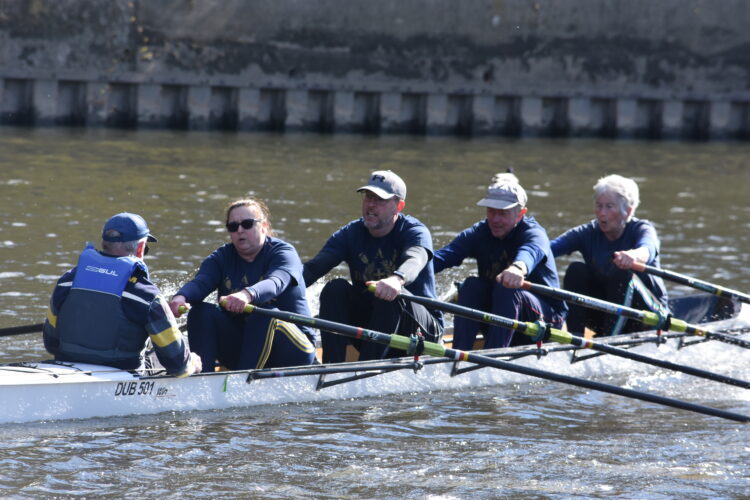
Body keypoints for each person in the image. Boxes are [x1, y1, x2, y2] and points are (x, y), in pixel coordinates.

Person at [303, 170, 443, 363]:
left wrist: (397, 279)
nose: (370, 205)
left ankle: (366, 368)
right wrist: (272, 291)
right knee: (334, 289)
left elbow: (415, 259)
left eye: (380, 200)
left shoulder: (415, 231)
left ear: (398, 206)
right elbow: (312, 269)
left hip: (419, 331)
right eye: (368, 197)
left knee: (392, 294)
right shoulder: (350, 233)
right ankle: (329, 369)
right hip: (375, 327)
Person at [43, 213, 201, 377]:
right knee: (184, 353)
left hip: (66, 366)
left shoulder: (67, 281)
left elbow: (51, 343)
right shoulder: (146, 295)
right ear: (140, 248)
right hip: (123, 374)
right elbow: (178, 365)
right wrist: (192, 363)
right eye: (146, 249)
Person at [169, 198, 316, 371]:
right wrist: (180, 297)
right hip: (244, 347)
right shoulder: (221, 257)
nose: (240, 230)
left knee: (263, 315)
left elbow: (275, 282)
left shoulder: (284, 253)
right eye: (233, 226)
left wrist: (246, 295)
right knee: (201, 312)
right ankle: (201, 380)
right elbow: (201, 283)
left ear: (263, 226)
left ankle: (241, 382)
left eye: (247, 224)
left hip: (294, 351)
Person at [433, 177, 567, 350]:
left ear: (520, 213)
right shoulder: (480, 232)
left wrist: (518, 268)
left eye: (503, 213)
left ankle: (494, 354)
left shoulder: (534, 233)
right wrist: (401, 275)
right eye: (491, 211)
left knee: (507, 288)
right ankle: (458, 355)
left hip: (545, 321)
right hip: (502, 316)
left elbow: (531, 250)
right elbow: (444, 256)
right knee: (471, 285)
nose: (495, 219)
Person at [551, 174, 669, 336]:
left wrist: (633, 256)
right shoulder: (588, 232)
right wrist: (520, 259)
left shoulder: (642, 229)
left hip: (648, 317)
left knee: (621, 274)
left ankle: (608, 339)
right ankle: (575, 338)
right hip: (606, 317)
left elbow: (647, 249)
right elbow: (548, 249)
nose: (601, 213)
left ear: (627, 211)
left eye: (609, 207)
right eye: (599, 206)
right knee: (576, 270)